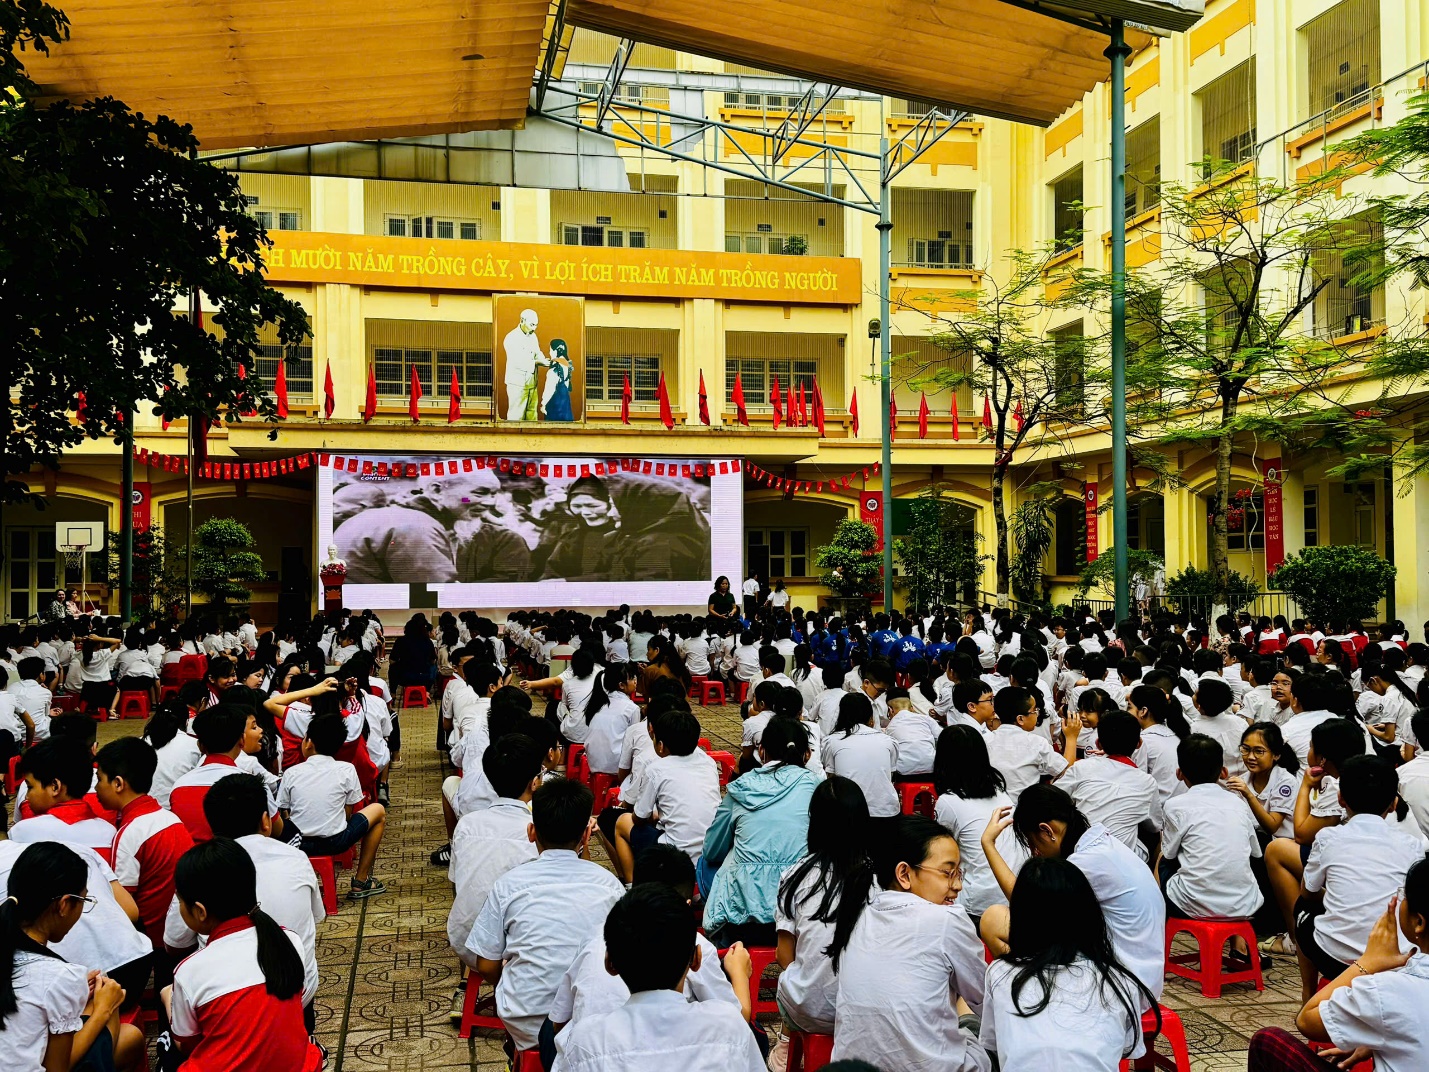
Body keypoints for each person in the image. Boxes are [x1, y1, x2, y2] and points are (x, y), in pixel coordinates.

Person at [467, 779, 625, 1055]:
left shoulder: (508, 885)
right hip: (593, 1024)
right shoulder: (610, 885)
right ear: (586, 835)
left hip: (525, 1022)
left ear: (531, 832)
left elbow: (487, 965)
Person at [549, 845, 750, 1060]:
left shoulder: (598, 936)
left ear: (610, 963)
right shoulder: (695, 944)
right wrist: (739, 973)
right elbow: (739, 1020)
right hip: (681, 1048)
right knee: (752, 1038)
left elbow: (559, 1021)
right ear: (695, 959)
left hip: (590, 1047)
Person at [828, 815, 989, 1072]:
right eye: (948, 873)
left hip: (853, 1066)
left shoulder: (858, 914)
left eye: (959, 873)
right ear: (904, 874)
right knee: (980, 1031)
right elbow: (986, 999)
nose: (958, 885)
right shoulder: (946, 919)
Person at [979, 784, 1165, 1005]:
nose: (1035, 852)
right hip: (1145, 977)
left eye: (1033, 843)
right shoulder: (1103, 844)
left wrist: (988, 845)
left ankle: (1033, 995)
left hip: (1121, 988)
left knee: (992, 920)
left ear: (1047, 831)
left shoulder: (1083, 863)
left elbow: (1025, 907)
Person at [163, 773, 324, 1025]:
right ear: (265, 821)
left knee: (171, 989)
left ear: (212, 826)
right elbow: (316, 918)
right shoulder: (296, 858)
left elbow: (174, 943)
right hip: (298, 995)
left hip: (235, 1008)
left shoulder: (199, 870)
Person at [1248, 856, 1429, 1072]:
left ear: (1419, 922)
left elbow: (1306, 1020)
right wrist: (1376, 1043)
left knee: (1267, 1041)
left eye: (1404, 896)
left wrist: (1367, 963)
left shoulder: (1389, 990)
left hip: (1334, 954)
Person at [979, 858, 1157, 1071]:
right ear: (1088, 914)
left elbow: (993, 1043)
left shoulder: (999, 972)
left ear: (1021, 918)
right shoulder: (1119, 980)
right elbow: (1125, 1049)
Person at [163, 838, 317, 1070]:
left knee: (168, 1036)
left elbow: (188, 1045)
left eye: (180, 900)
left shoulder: (189, 972)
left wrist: (168, 999)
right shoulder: (289, 940)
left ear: (200, 911)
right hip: (296, 1064)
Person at [0, 842, 145, 1072]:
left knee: (126, 1033)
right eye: (84, 901)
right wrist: (104, 1010)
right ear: (64, 904)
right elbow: (58, 1068)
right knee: (113, 1007)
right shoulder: (59, 975)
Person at [1294, 754, 1424, 1002]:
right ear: (1394, 804)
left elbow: (1308, 892)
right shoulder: (1412, 845)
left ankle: (1308, 993)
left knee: (1302, 907)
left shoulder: (1328, 837)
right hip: (1395, 961)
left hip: (1335, 960)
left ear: (1340, 798)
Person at [699, 718, 820, 948]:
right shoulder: (818, 787)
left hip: (743, 920)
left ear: (761, 751)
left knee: (706, 863)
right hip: (800, 911)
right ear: (807, 754)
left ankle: (724, 950)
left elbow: (712, 850)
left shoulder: (741, 788)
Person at [774, 776, 873, 1049]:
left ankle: (786, 1044)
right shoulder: (877, 880)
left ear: (814, 823)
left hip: (806, 1009)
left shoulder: (796, 876)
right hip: (864, 1012)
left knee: (791, 980)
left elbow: (784, 955)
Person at [447, 734, 543, 974]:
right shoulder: (536, 829)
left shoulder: (467, 824)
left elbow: (457, 883)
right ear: (534, 782)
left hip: (463, 940)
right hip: (518, 951)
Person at [95, 737, 193, 949]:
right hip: (179, 930)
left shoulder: (130, 832)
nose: (96, 787)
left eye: (99, 779)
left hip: (150, 940)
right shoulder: (170, 818)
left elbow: (122, 905)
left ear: (118, 784)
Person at [278, 712, 387, 900]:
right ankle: (361, 881)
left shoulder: (291, 773)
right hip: (336, 841)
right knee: (378, 811)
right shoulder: (346, 769)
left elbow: (284, 810)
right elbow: (349, 810)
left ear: (309, 742)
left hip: (299, 843)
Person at [1158, 734, 1263, 922]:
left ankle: (1157, 921)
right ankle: (1237, 936)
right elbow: (1256, 854)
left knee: (1163, 858)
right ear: (1223, 772)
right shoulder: (1238, 804)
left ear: (1179, 774)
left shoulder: (1174, 806)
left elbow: (1170, 855)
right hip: (1246, 904)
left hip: (1191, 905)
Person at [933, 725, 1028, 929]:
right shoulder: (1000, 792)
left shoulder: (948, 802)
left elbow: (941, 852)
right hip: (1014, 891)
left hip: (977, 904)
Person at [612, 711, 720, 881]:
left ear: (660, 745)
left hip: (675, 855)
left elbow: (639, 818)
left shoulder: (656, 770)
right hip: (710, 850)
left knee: (621, 822)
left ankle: (632, 885)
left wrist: (652, 816)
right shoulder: (709, 763)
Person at [1054, 710, 1162, 858]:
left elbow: (1052, 797)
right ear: (1139, 744)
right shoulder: (1147, 782)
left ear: (1098, 743)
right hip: (1122, 859)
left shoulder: (1082, 767)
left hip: (1078, 852)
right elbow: (1154, 826)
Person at [168, 705, 281, 843]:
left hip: (194, 856)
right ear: (242, 740)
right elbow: (277, 829)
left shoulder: (179, 786)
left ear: (200, 746)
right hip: (240, 855)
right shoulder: (252, 784)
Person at [984, 686, 1077, 799]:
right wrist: (1072, 738)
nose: (1037, 714)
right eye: (1034, 711)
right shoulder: (1036, 743)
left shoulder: (985, 740)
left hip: (994, 804)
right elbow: (1066, 770)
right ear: (1020, 719)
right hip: (1025, 805)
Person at [820, 692, 899, 819]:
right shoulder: (889, 741)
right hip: (886, 812)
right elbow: (889, 775)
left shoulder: (831, 741)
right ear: (871, 718)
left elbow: (831, 779)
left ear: (841, 716)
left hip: (848, 813)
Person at [502, 307, 550, 420]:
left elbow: (537, 352)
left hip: (532, 383)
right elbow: (518, 361)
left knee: (532, 414)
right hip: (517, 383)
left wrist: (544, 360)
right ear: (522, 320)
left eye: (536, 325)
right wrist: (538, 362)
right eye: (532, 325)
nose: (534, 328)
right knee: (516, 415)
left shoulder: (533, 336)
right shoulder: (511, 338)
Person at [540, 338, 574, 421]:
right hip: (565, 405)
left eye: (550, 350)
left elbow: (549, 389)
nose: (550, 353)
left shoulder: (554, 369)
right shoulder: (567, 365)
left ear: (555, 351)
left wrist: (543, 404)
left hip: (555, 406)